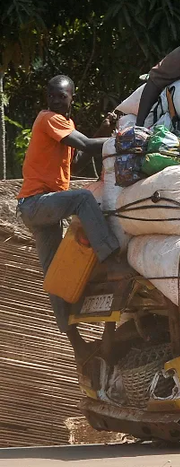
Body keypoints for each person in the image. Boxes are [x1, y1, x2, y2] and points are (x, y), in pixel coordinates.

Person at [16, 75, 120, 356]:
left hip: (43, 209)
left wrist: (102, 130)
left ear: (72, 96)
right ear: (47, 98)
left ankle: (77, 345)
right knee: (83, 198)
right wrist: (120, 140)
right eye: (52, 96)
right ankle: (111, 259)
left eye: (61, 96)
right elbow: (86, 145)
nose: (56, 101)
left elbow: (77, 160)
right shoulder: (48, 118)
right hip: (36, 204)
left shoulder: (65, 125)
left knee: (55, 278)